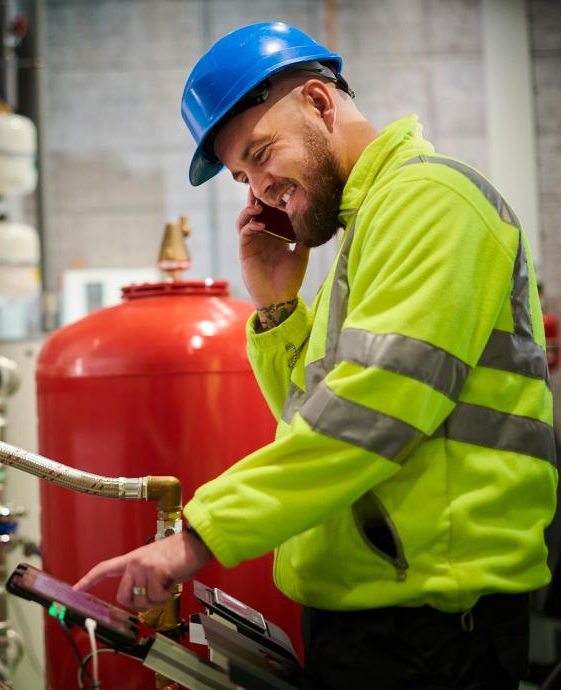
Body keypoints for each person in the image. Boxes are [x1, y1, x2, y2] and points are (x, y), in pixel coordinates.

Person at [75, 21, 558, 689]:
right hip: (377, 622)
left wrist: (196, 539)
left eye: (262, 153)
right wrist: (276, 306)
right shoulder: (367, 230)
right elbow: (314, 415)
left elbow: (370, 413)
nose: (260, 189)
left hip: (433, 634)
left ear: (321, 104)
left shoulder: (431, 200)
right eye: (244, 176)